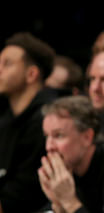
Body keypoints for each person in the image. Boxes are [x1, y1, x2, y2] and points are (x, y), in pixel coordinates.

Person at [0, 32, 58, 213]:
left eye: (7, 64)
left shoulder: (48, 120)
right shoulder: (6, 119)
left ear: (31, 74)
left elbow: (24, 196)